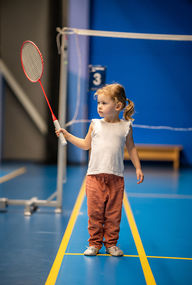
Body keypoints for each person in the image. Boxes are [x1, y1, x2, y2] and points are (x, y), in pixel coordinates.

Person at [56, 83, 144, 257]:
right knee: (95, 213)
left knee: (113, 214)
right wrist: (67, 135)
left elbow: (132, 148)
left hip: (116, 179)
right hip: (94, 178)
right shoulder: (95, 124)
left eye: (104, 103)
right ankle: (94, 243)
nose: (100, 107)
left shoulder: (126, 127)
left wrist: (138, 167)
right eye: (99, 103)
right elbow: (85, 144)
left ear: (118, 106)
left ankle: (111, 244)